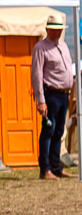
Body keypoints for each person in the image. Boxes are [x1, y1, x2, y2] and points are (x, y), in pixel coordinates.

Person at [31, 14, 74, 180]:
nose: (57, 33)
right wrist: (41, 100)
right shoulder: (41, 48)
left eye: (59, 30)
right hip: (51, 94)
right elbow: (36, 74)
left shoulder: (63, 46)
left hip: (64, 94)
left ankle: (56, 167)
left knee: (59, 131)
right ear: (47, 29)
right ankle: (45, 169)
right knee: (49, 130)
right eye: (54, 30)